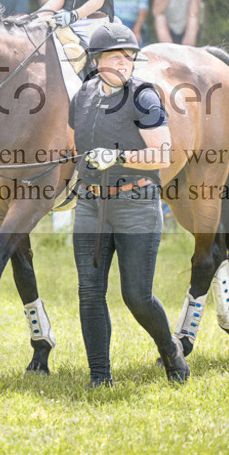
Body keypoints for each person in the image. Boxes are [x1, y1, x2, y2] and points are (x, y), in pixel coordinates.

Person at [68, 22, 190, 387]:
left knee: (136, 296)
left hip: (136, 204)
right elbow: (79, 147)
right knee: (89, 292)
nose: (125, 63)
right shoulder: (84, 94)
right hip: (91, 205)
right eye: (116, 56)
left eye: (129, 57)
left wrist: (116, 155)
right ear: (97, 60)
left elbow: (163, 153)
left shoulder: (143, 97)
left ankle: (170, 349)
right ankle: (100, 377)